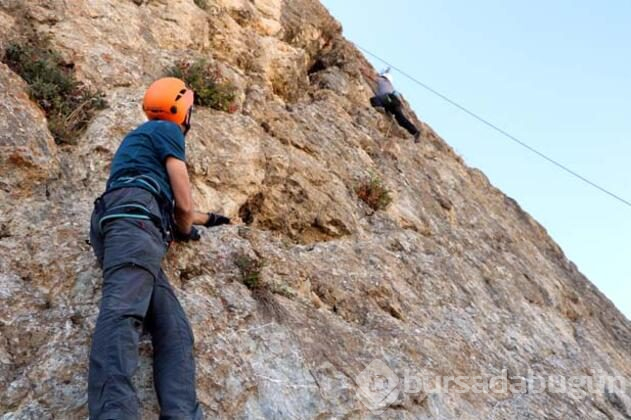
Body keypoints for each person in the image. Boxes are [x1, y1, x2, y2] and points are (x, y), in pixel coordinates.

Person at [87, 77, 229, 419]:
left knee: (174, 328)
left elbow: (179, 210)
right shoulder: (168, 131)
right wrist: (185, 228)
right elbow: (182, 203)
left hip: (129, 225)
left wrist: (209, 220)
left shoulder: (141, 140)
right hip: (135, 224)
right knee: (122, 314)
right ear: (181, 110)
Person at [366, 69, 422, 143]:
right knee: (401, 119)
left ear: (384, 77)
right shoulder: (392, 87)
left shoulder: (382, 80)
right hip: (395, 102)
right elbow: (398, 99)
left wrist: (362, 70)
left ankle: (379, 107)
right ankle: (415, 132)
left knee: (374, 99)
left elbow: (370, 76)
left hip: (388, 98)